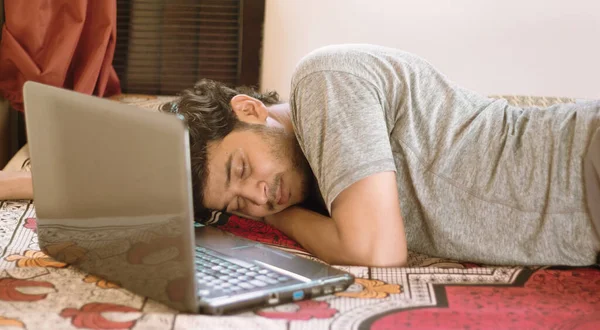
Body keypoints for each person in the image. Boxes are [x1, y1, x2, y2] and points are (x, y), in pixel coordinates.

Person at [2, 44, 599, 267]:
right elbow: (132, 174)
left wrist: (267, 216)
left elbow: (376, 251)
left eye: (243, 173)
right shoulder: (306, 172)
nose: (259, 196)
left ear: (251, 108)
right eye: (238, 202)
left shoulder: (323, 82)